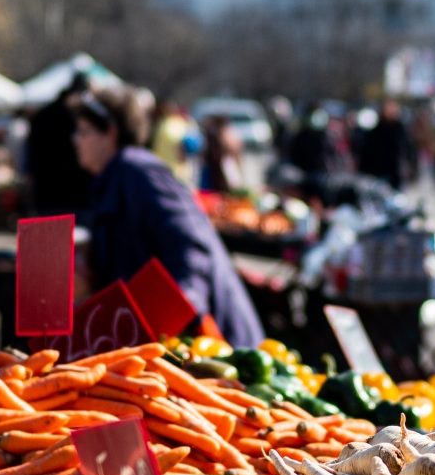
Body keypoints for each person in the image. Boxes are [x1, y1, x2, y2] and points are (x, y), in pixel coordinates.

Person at [73, 84, 265, 345]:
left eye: (84, 132)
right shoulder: (114, 178)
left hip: (214, 343)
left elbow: (190, 243)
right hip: (163, 337)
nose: (76, 140)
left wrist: (183, 308)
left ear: (111, 133)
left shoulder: (138, 171)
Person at [24, 71, 92, 217]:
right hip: (73, 195)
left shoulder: (42, 116)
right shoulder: (81, 117)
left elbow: (30, 158)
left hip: (48, 194)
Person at [355, 100, 413, 190]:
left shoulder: (400, 129)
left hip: (395, 173)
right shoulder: (376, 130)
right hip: (378, 172)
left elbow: (407, 149)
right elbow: (367, 151)